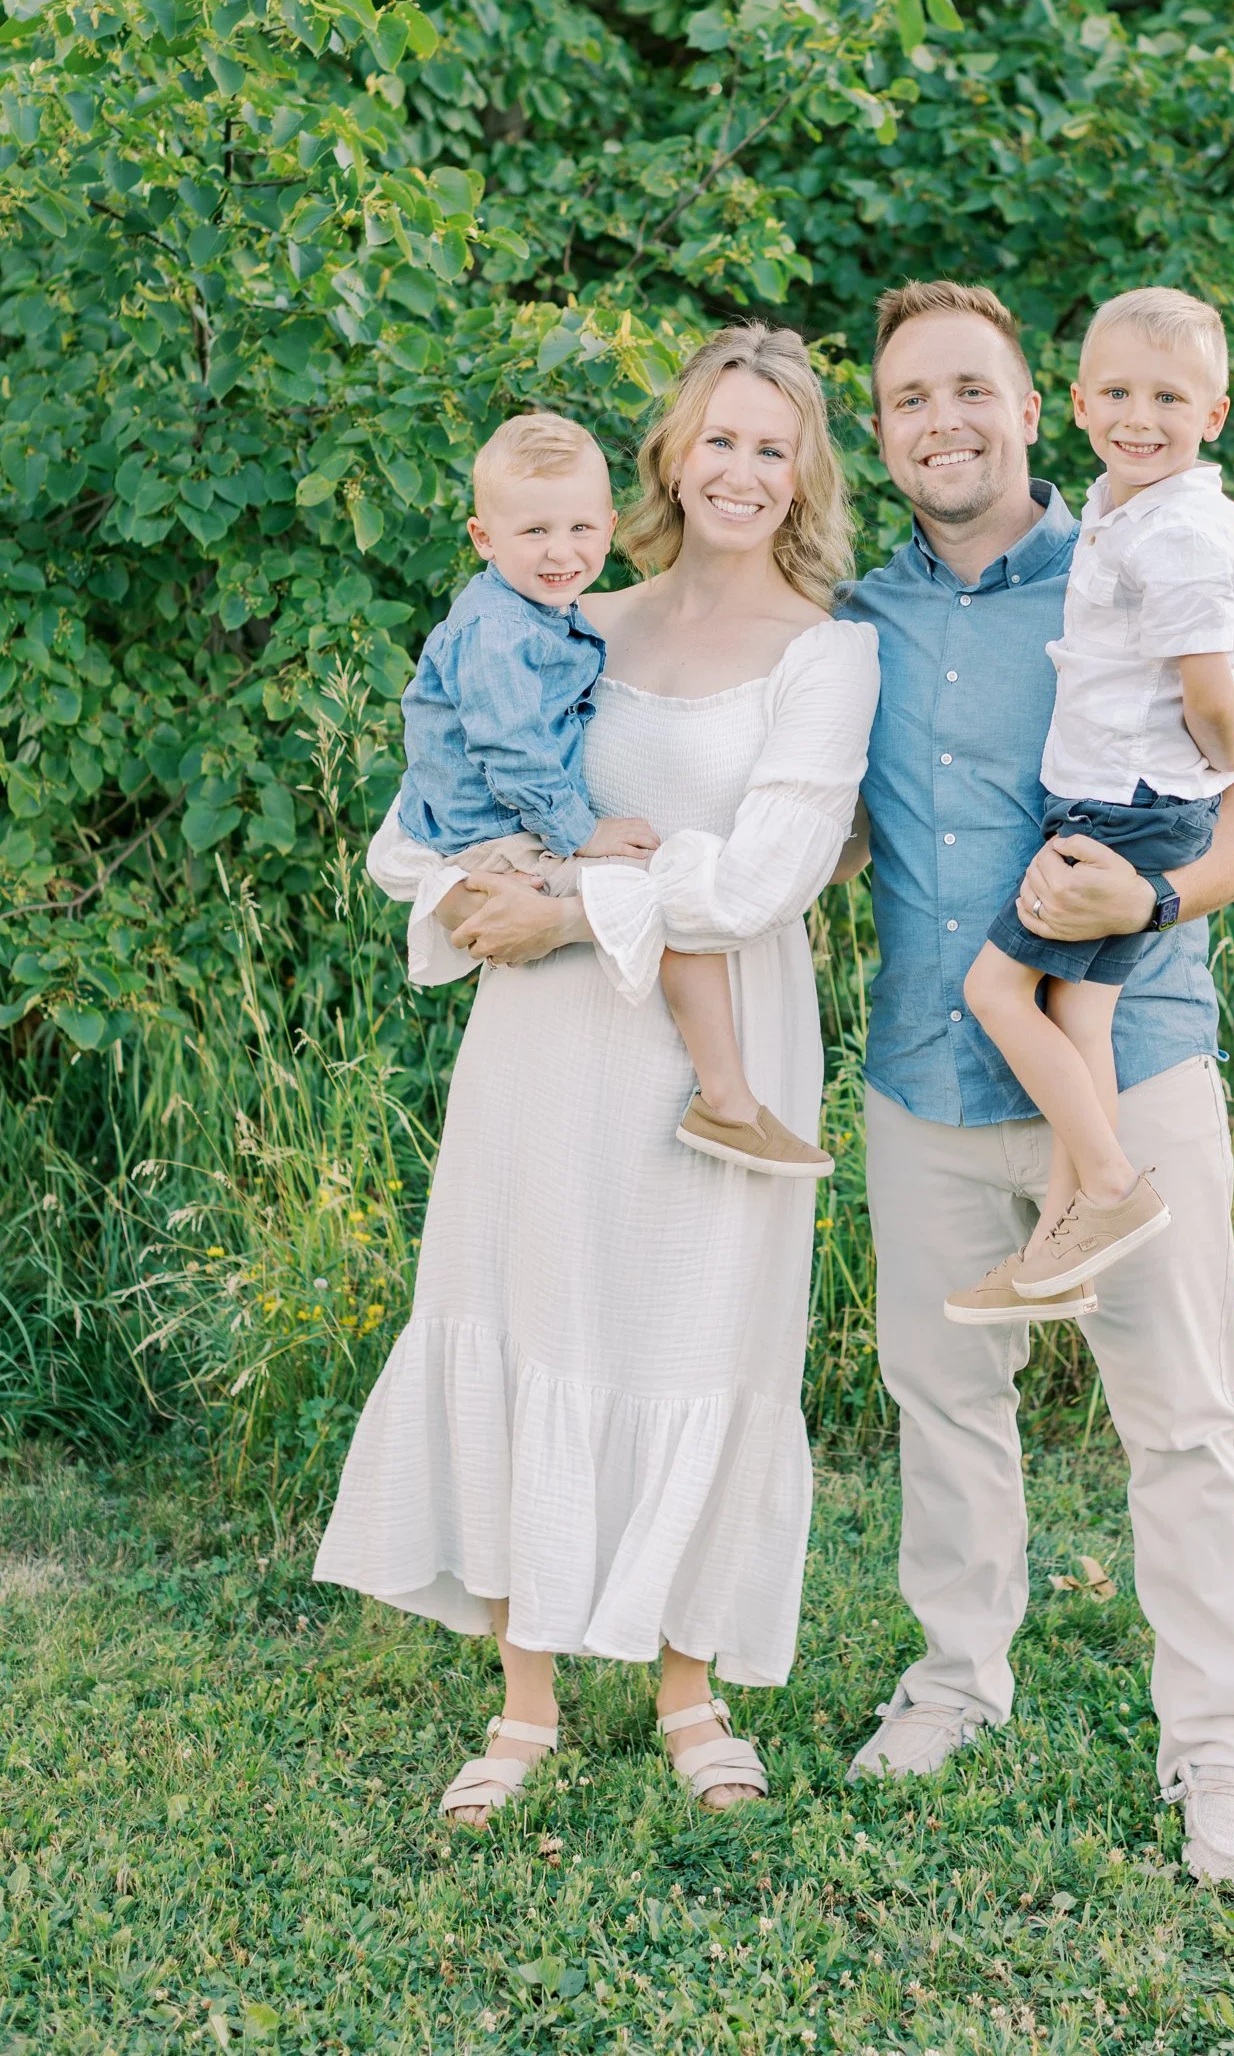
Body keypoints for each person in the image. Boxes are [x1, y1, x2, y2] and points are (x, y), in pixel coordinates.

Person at [314, 323, 880, 1822]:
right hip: (547, 1056)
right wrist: (459, 898)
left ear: (803, 470)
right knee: (529, 1327)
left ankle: (690, 1696)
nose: (742, 470)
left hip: (721, 1059)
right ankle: (523, 1703)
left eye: (773, 445)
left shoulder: (829, 657)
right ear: (671, 457)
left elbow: (765, 877)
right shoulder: (562, 614)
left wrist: (565, 902)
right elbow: (413, 819)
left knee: (701, 1343)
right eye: (719, 439)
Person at [835, 279, 1234, 1886]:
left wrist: (1152, 900)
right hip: (924, 1071)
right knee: (940, 1405)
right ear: (879, 432)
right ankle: (957, 1683)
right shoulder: (852, 624)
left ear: (1037, 406)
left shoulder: (1139, 557)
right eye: (909, 399)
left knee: (1177, 1422)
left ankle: (1218, 1750)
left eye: (973, 388)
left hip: (1131, 1060)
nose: (943, 421)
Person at [396, 407, 831, 1180]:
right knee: (656, 889)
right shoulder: (502, 630)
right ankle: (727, 1100)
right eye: (533, 533)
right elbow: (510, 749)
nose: (561, 553)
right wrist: (579, 831)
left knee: (662, 893)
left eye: (578, 530)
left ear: (607, 522)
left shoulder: (554, 616)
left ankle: (726, 1097)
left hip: (511, 835)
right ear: (482, 538)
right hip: (497, 832)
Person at [959, 287, 1234, 1311]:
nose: (1141, 417)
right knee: (1077, 1009)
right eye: (1120, 394)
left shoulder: (1174, 529)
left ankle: (1107, 1186)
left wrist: (1220, 749)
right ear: (1078, 404)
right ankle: (1062, 1237)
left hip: (1126, 806)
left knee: (995, 993)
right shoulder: (1126, 506)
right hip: (1118, 797)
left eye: (1169, 397)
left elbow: (1209, 688)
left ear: (1211, 416)